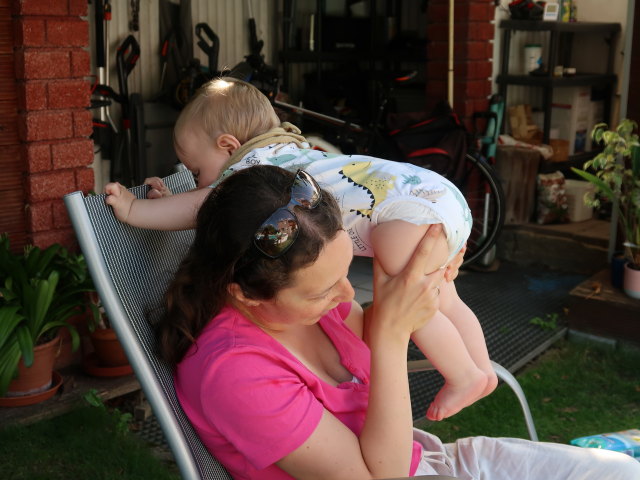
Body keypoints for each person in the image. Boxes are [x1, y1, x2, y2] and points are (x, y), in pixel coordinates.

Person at [157, 165, 640, 480]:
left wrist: (434, 273)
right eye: (324, 290)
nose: (347, 296)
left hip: (428, 462)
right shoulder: (235, 373)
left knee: (618, 474)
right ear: (243, 293)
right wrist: (389, 335)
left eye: (348, 272)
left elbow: (403, 310)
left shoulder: (309, 309)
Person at [106, 77, 496, 421]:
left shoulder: (256, 170)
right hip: (437, 196)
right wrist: (170, 199)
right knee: (447, 301)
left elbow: (204, 205)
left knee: (409, 299)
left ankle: (462, 376)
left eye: (196, 170)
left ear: (228, 147)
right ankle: (482, 371)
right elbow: (206, 202)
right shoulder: (286, 150)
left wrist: (135, 209)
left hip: (406, 214)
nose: (199, 181)